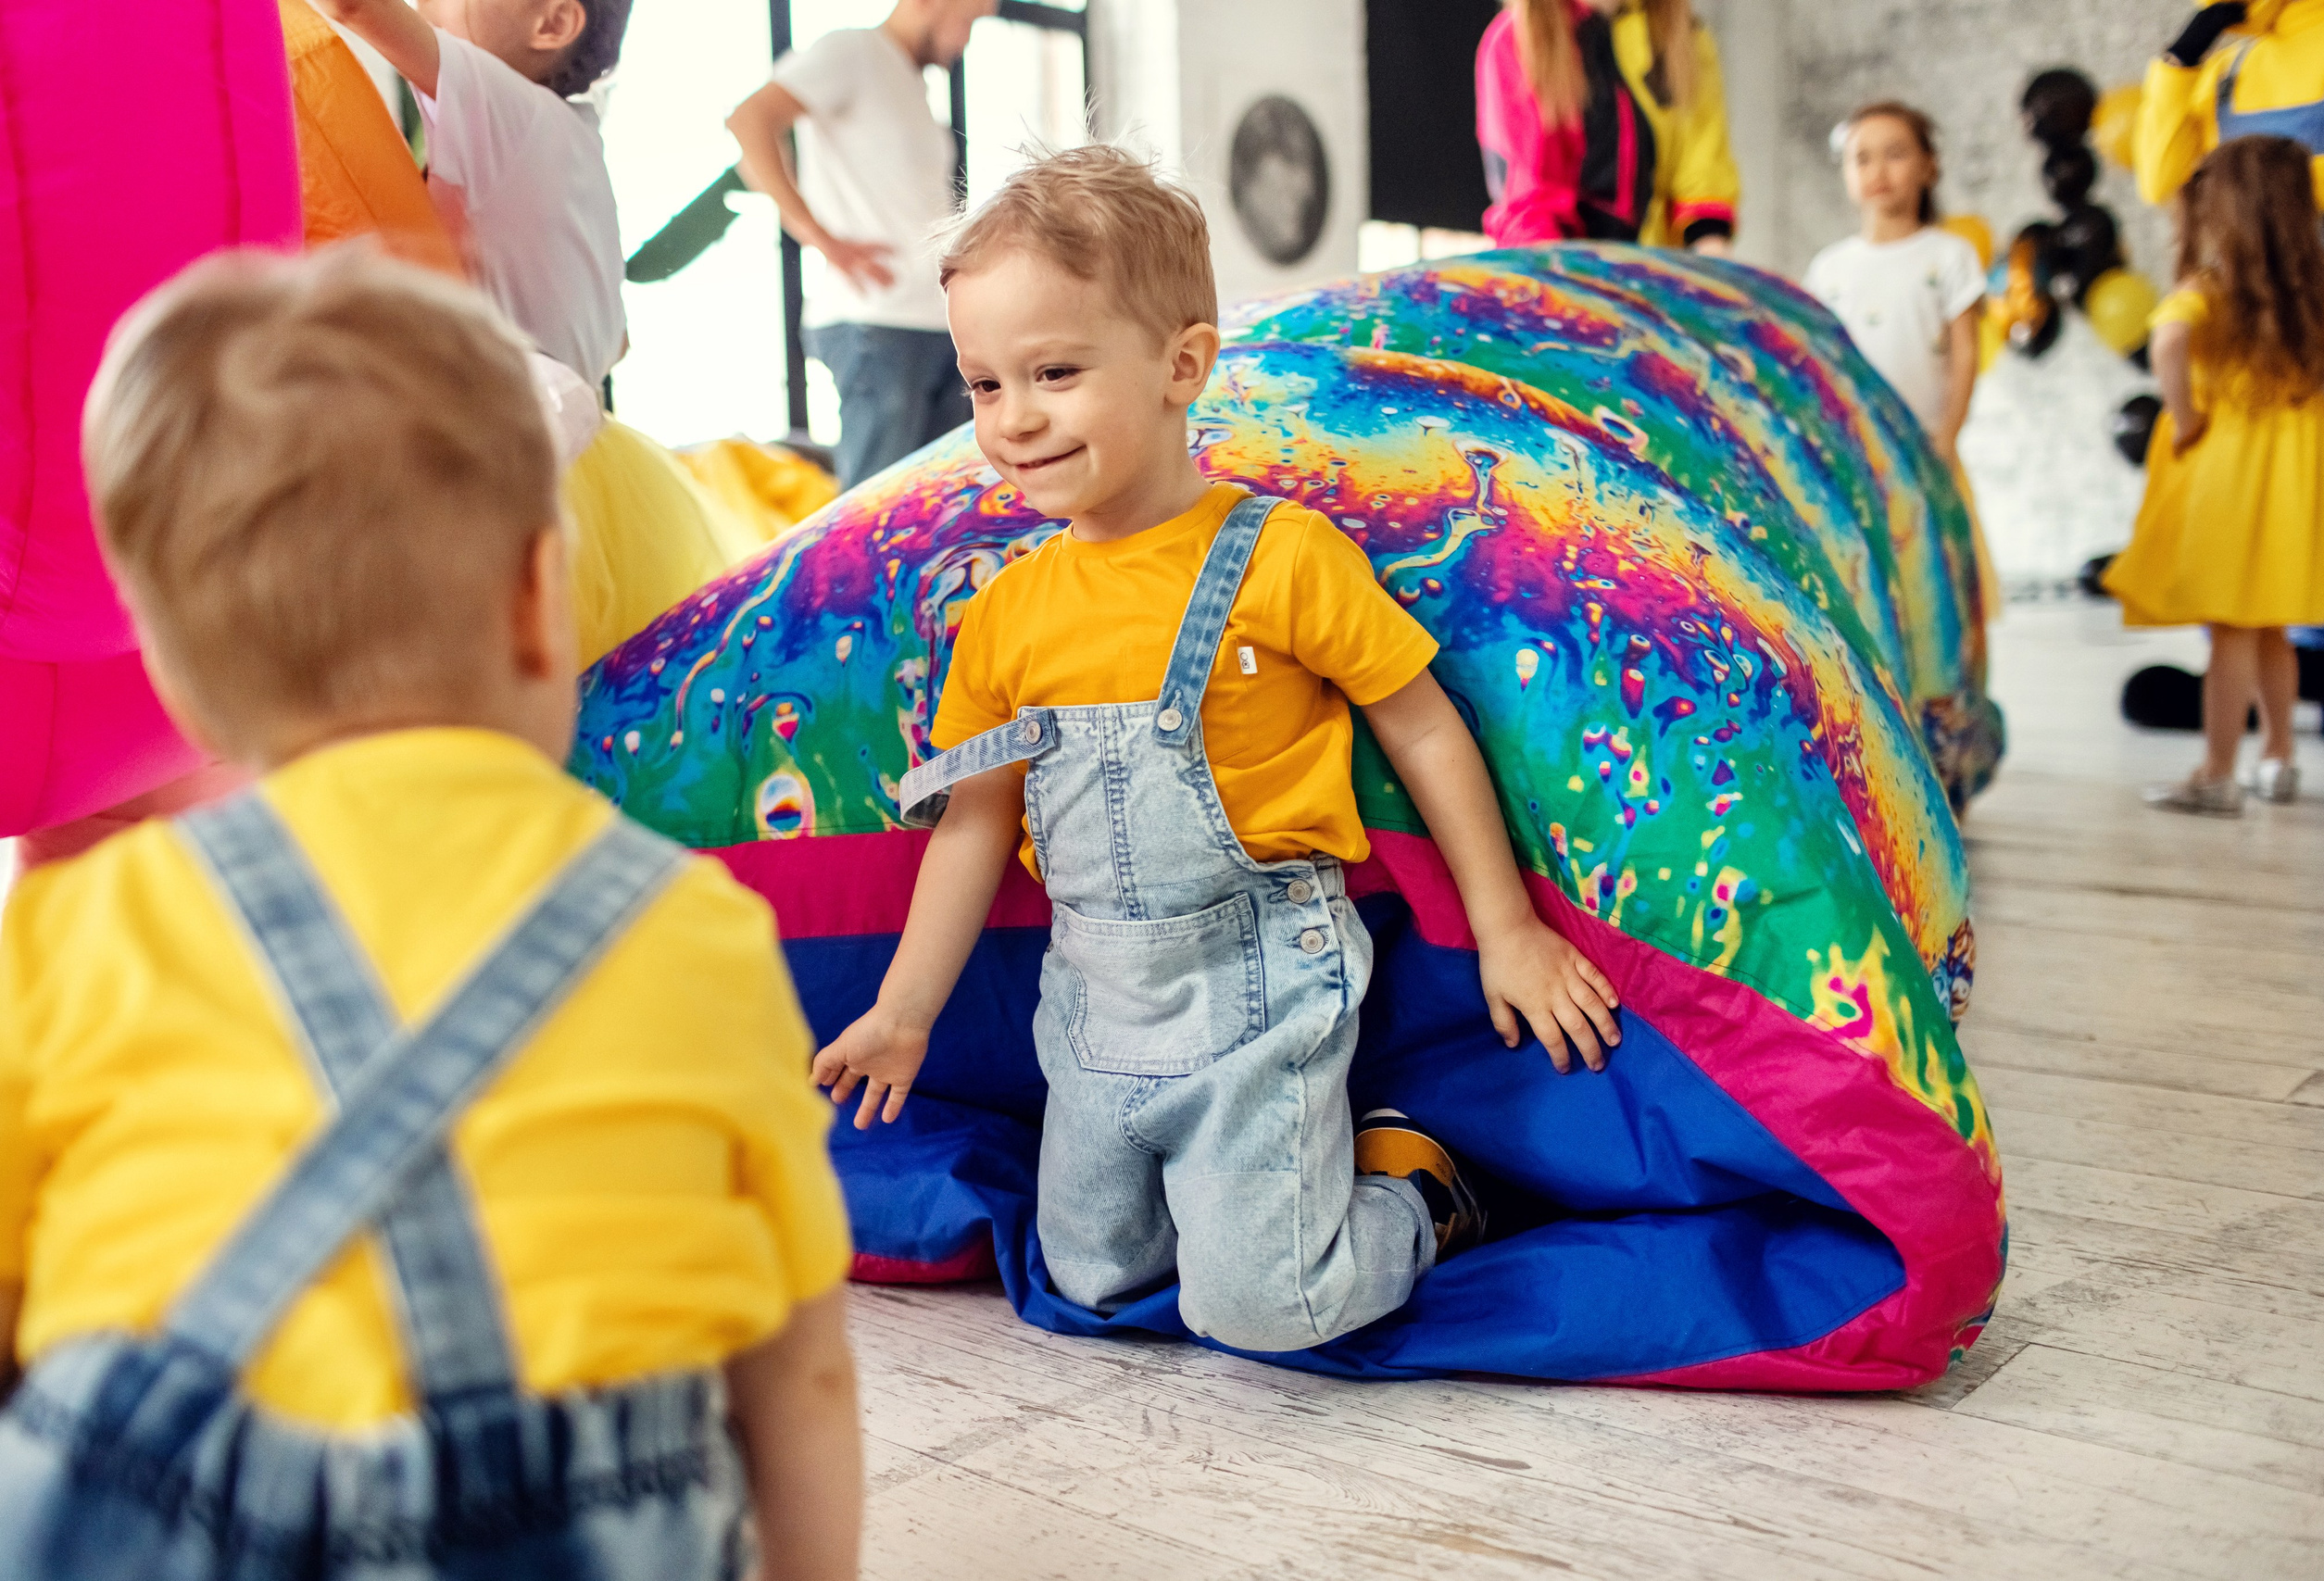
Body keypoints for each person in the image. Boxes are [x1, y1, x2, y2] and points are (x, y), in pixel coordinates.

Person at [0, 250, 860, 1576]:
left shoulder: (79, 930)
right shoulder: (693, 927)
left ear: (173, 673)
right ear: (539, 598)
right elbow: (797, 1371)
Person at [810, 146, 1624, 1354]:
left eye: (1054, 371)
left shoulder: (1279, 557)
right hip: (1093, 999)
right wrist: (903, 1010)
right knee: (1089, 1278)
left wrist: (1505, 928)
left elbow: (1420, 721)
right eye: (983, 384)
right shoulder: (1004, 613)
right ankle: (1240, 1206)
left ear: (1182, 365)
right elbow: (976, 823)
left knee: (1269, 1306)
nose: (1013, 418)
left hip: (1260, 982)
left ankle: (1413, 1190)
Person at [2104, 137, 2324, 813]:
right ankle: (2279, 759)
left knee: (2229, 633)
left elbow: (2167, 341)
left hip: (2229, 489)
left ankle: (2216, 772)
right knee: (2273, 629)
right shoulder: (2317, 307)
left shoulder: (2208, 293)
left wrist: (2185, 416)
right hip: (2295, 491)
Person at [2136, 0, 2324, 726]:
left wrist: (2269, 191)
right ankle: (2285, 649)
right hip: (2247, 317)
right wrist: (2180, 62)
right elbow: (2163, 178)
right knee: (2254, 493)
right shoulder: (2229, 62)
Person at [728, 0, 998, 488]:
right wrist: (817, 237)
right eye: (967, 20)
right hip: (877, 323)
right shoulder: (853, 51)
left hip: (939, 324)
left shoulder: (910, 84)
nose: (966, 39)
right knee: (877, 503)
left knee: (939, 504)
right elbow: (750, 119)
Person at [322, 0, 630, 388]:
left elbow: (352, 6)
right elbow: (618, 341)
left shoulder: (516, 111)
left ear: (552, 23)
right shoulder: (578, 146)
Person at [1474, 0, 1740, 255]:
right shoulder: (1513, 40)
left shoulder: (1686, 39)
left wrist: (1711, 256)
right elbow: (1526, 202)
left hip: (1653, 272)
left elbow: (1704, 175)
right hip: (1555, 268)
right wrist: (1564, 279)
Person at [1805, 104, 1986, 473]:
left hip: (1925, 451)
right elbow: (1814, 358)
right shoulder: (1827, 268)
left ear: (1928, 165)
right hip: (1849, 453)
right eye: (1862, 159)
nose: (1878, 171)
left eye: (1895, 154)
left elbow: (1966, 355)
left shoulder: (1950, 256)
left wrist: (1948, 437)